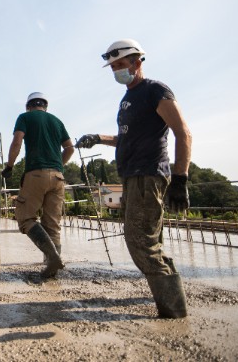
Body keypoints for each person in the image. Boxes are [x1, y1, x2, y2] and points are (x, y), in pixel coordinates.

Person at [76, 39, 192, 318]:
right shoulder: (128, 99)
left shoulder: (155, 90)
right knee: (149, 241)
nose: (116, 71)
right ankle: (171, 296)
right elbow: (126, 139)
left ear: (137, 62)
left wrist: (180, 179)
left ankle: (174, 312)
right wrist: (98, 138)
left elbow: (183, 133)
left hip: (147, 175)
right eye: (113, 67)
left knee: (140, 242)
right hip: (132, 177)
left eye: (120, 65)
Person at [2, 92, 74, 278]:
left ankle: (52, 258)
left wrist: (9, 166)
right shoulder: (57, 121)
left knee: (25, 218)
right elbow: (69, 148)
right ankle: (52, 269)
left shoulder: (25, 117)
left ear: (28, 106)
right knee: (53, 224)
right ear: (45, 106)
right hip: (58, 177)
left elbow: (17, 142)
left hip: (35, 174)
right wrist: (58, 166)